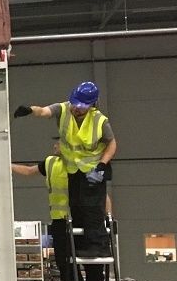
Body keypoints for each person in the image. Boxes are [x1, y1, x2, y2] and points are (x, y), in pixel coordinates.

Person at [13, 81, 115, 263]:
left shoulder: (99, 120)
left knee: (92, 209)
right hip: (73, 170)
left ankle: (98, 247)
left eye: (81, 106)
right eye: (75, 103)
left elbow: (112, 144)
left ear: (91, 104)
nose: (76, 108)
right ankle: (83, 246)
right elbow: (45, 111)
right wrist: (30, 110)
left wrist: (101, 165)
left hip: (93, 170)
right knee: (77, 207)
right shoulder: (63, 109)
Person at [13, 140, 74, 281]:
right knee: (63, 261)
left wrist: (108, 217)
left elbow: (99, 194)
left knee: (80, 259)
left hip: (77, 219)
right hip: (59, 220)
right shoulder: (51, 162)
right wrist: (6, 165)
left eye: (58, 143)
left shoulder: (79, 164)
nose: (54, 146)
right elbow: (28, 171)